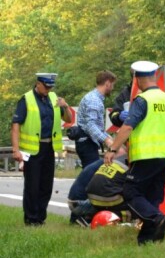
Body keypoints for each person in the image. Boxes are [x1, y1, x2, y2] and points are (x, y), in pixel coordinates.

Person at [104, 60, 165, 245]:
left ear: (138, 79)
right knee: (153, 195)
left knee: (130, 191)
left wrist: (112, 149)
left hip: (146, 155)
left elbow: (127, 127)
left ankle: (156, 218)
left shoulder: (142, 100)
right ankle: (149, 239)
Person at [11, 72, 72, 226]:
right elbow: (16, 124)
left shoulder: (53, 98)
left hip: (49, 147)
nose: (48, 89)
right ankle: (31, 219)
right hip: (31, 150)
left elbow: (69, 119)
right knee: (32, 186)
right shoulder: (26, 99)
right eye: (46, 87)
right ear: (38, 83)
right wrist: (15, 149)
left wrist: (65, 106)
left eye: (51, 87)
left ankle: (40, 217)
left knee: (46, 185)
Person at [75, 70, 117, 168]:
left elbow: (97, 127)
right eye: (112, 85)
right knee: (90, 177)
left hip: (88, 142)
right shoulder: (94, 100)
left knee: (90, 175)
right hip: (87, 143)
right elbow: (91, 125)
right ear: (107, 83)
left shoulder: (95, 98)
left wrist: (109, 138)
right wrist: (106, 140)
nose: (113, 88)